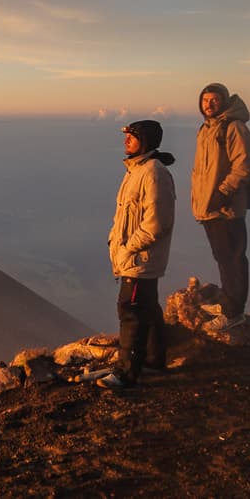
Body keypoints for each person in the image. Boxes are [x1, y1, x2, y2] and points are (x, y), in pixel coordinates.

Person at [99, 120, 175, 389]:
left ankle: (126, 374)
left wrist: (129, 247)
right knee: (147, 309)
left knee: (130, 311)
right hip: (135, 257)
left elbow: (157, 223)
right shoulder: (136, 170)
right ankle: (154, 361)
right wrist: (114, 241)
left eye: (132, 137)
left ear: (146, 141)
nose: (126, 141)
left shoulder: (153, 173)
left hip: (140, 259)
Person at [192, 83, 250, 332]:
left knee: (233, 259)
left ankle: (233, 313)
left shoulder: (234, 127)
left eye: (214, 100)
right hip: (210, 207)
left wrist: (222, 193)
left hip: (226, 209)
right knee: (223, 258)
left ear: (225, 102)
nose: (209, 104)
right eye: (205, 100)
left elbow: (245, 167)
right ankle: (230, 303)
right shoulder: (207, 129)